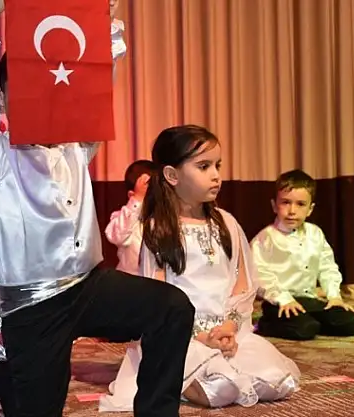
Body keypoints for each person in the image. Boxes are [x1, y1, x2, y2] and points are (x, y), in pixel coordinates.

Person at [0, 1, 196, 416]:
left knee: (172, 308)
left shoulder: (75, 147)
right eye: (25, 87)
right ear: (3, 99)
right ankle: (4, 373)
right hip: (33, 304)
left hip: (88, 285)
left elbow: (97, 87)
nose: (43, 95)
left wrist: (102, 25)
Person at [100, 125, 300, 411]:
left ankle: (208, 371)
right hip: (183, 336)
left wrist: (229, 327)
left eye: (218, 165)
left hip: (226, 332)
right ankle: (183, 377)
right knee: (219, 389)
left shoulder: (227, 223)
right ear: (172, 175)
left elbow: (243, 286)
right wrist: (201, 336)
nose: (216, 175)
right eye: (204, 167)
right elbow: (158, 296)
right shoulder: (158, 229)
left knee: (278, 381)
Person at [251, 169, 354, 340]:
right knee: (305, 329)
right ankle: (268, 324)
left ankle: (309, 321)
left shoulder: (315, 233)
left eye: (300, 204)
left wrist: (334, 296)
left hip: (308, 300)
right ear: (274, 205)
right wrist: (283, 298)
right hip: (280, 301)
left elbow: (327, 267)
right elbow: (259, 274)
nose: (292, 211)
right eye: (286, 203)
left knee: (350, 322)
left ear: (310, 209)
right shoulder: (265, 238)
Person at [105, 160, 155, 275]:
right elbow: (117, 236)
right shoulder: (122, 217)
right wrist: (137, 199)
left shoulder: (165, 220)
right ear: (131, 196)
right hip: (130, 280)